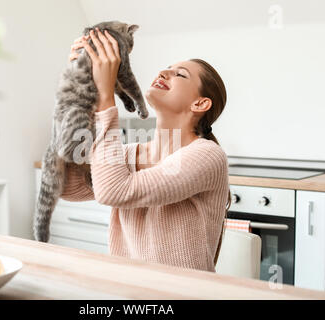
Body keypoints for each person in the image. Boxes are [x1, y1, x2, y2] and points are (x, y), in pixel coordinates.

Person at [63, 28, 232, 272]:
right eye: (167, 67)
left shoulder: (207, 155)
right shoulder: (129, 154)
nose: (164, 72)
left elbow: (114, 191)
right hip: (130, 290)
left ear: (200, 103)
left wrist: (105, 97)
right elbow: (64, 184)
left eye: (180, 75)